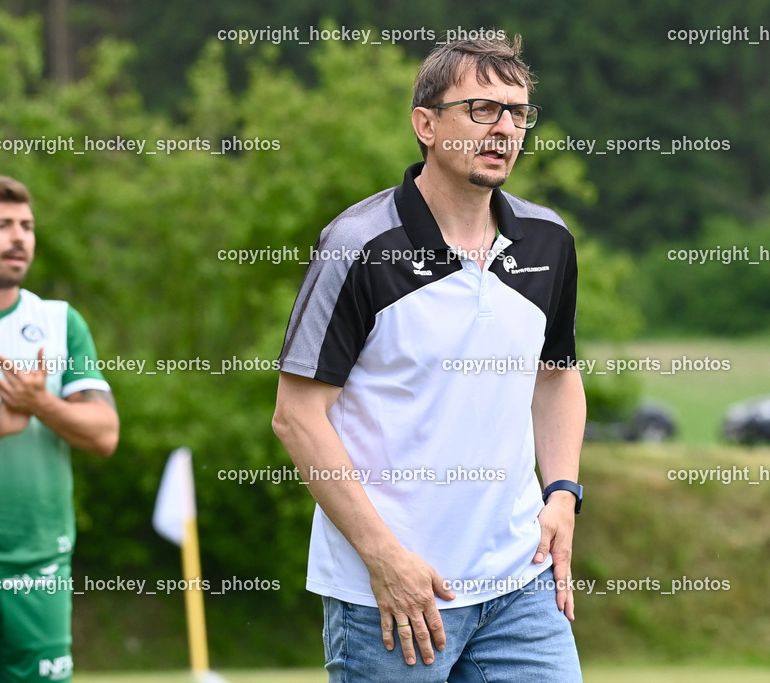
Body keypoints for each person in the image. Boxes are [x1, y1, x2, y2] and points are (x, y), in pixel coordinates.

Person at [272, 35, 585, 681]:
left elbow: (556, 377)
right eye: (481, 109)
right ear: (426, 124)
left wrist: (562, 494)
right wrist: (384, 556)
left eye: (518, 112)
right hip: (395, 593)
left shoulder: (549, 240)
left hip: (520, 585)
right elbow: (297, 417)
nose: (504, 127)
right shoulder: (358, 244)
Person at [0, 175, 119, 683]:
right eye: (2, 225)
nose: (19, 237)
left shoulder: (58, 323)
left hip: (40, 565)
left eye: (27, 226)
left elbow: (104, 434)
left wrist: (41, 404)